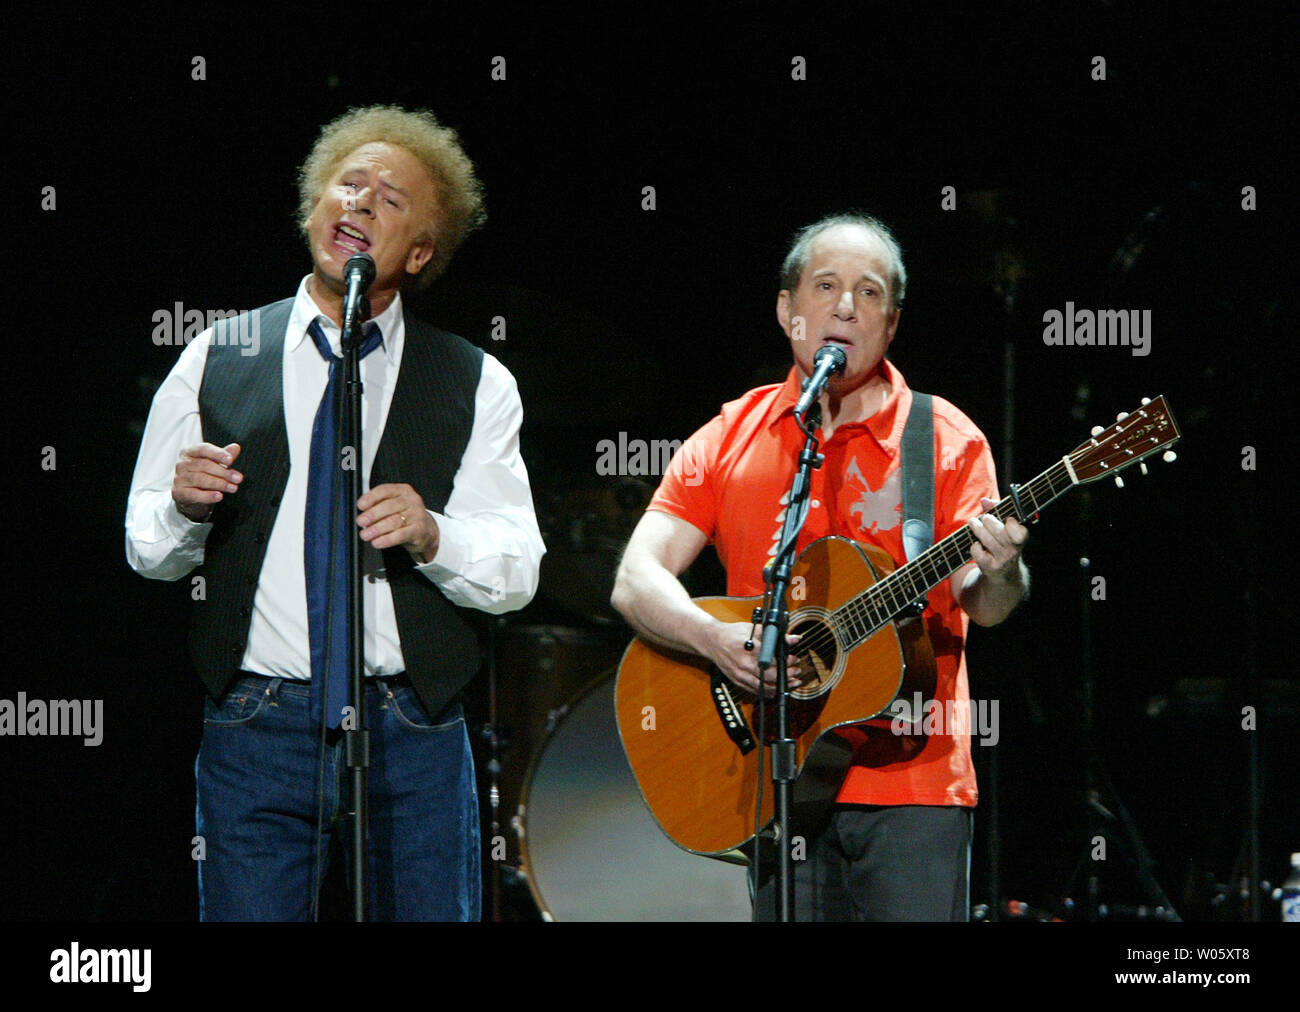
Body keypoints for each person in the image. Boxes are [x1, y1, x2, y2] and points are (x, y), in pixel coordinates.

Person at [126, 105, 544, 921]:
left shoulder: (473, 379)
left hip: (410, 729)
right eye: (347, 186)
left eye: (389, 200)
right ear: (314, 206)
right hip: (257, 724)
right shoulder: (218, 354)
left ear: (420, 252)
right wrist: (182, 509)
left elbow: (518, 571)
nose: (358, 204)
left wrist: (434, 535)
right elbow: (147, 546)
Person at [610, 212, 1028, 921]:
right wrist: (712, 638)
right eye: (825, 286)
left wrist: (1004, 569)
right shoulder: (731, 435)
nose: (843, 306)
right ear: (785, 309)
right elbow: (635, 577)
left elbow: (984, 604)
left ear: (891, 325)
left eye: (868, 294)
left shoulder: (945, 440)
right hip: (773, 777)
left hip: (914, 786)